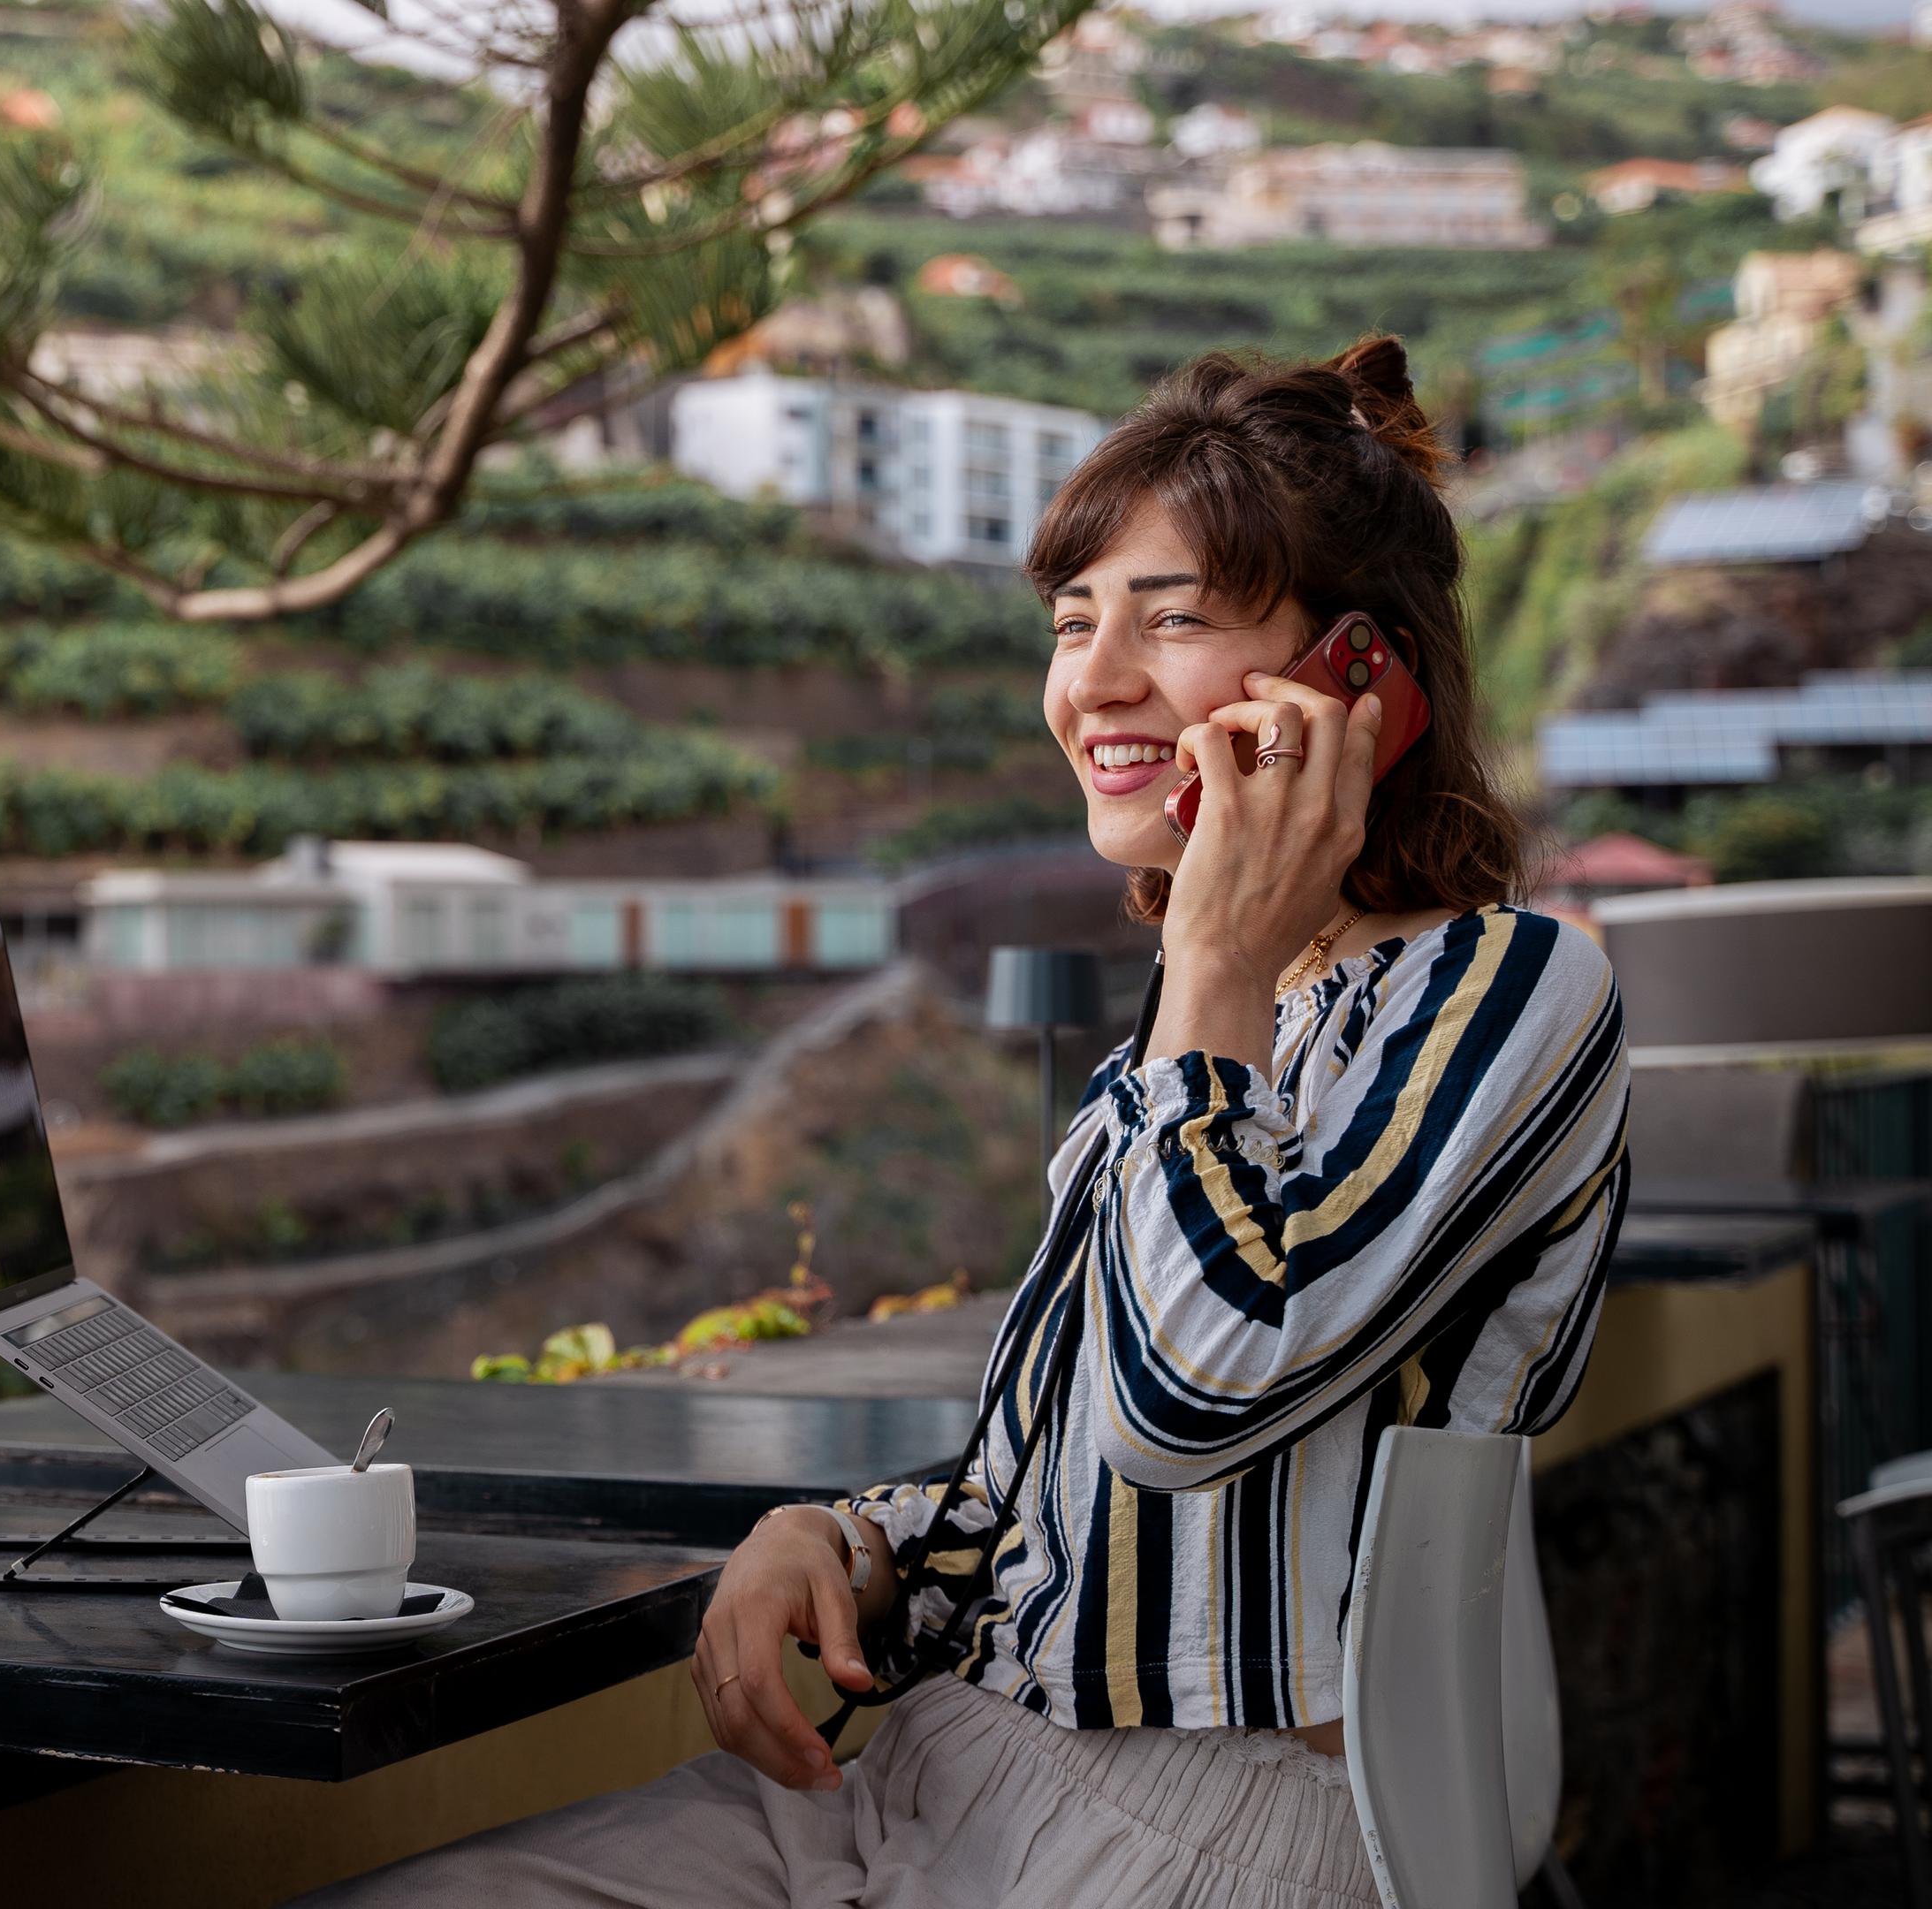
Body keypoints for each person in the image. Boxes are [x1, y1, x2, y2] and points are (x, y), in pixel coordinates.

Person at [300, 338, 1632, 1906]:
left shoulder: (1508, 990)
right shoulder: (1205, 1026)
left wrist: (1212, 960)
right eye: (1075, 625)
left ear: (1361, 677)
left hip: (1207, 1823)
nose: (1096, 682)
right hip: (943, 1763)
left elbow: (1191, 1403)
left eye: (1175, 617)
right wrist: (845, 1539)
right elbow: (1049, 1495)